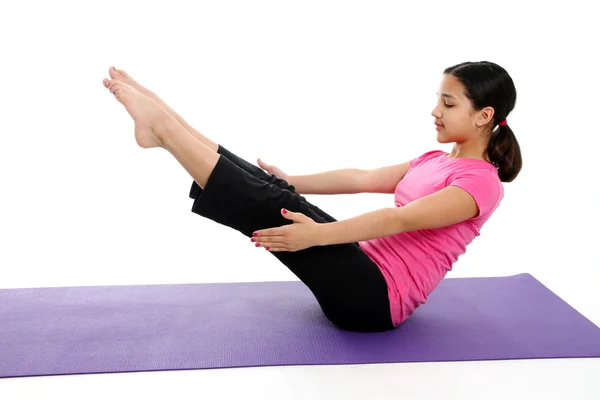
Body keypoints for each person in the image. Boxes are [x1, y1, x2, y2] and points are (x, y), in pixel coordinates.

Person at [102, 61, 521, 333]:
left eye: (448, 103)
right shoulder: (433, 159)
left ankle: (164, 130)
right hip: (363, 266)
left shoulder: (482, 183)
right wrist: (293, 181)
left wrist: (319, 235)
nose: (435, 111)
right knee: (276, 194)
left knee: (271, 206)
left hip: (375, 301)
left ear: (484, 116)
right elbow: (362, 177)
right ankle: (164, 120)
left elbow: (401, 220)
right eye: (438, 100)